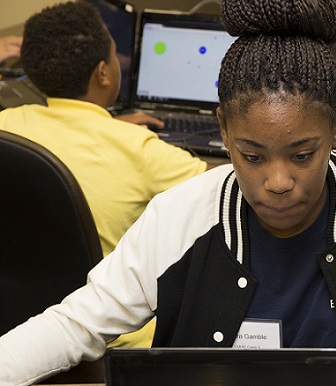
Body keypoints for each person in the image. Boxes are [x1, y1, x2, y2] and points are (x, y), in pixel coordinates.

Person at [0, 0, 336, 383]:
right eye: (252, 156)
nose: (277, 182)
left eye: (302, 154)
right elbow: (75, 324)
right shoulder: (180, 214)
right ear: (224, 133)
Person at [0, 1, 211, 349]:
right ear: (103, 73)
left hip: (22, 327)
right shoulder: (138, 149)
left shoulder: (7, 125)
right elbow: (234, 185)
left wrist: (106, 125)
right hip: (113, 339)